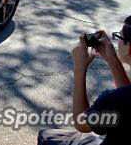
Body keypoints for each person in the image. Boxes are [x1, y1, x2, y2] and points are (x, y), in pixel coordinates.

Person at [38, 17, 131, 145]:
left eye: (119, 37)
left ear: (128, 47)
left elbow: (81, 123)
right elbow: (126, 95)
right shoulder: (123, 97)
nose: (116, 42)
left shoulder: (113, 100)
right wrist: (112, 59)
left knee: (47, 138)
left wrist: (79, 69)